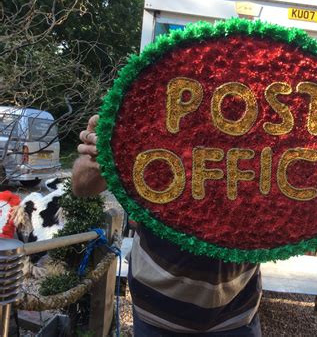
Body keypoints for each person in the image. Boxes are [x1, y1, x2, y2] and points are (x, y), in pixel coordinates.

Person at [73, 115, 317, 336]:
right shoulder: (151, 128)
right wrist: (97, 157)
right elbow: (82, 186)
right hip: (157, 315)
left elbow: (310, 218)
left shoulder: (263, 145)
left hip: (235, 315)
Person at [72, 115, 263, 336]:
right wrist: (101, 155)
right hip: (156, 311)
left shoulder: (254, 110)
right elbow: (81, 186)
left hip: (237, 310)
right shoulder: (145, 106)